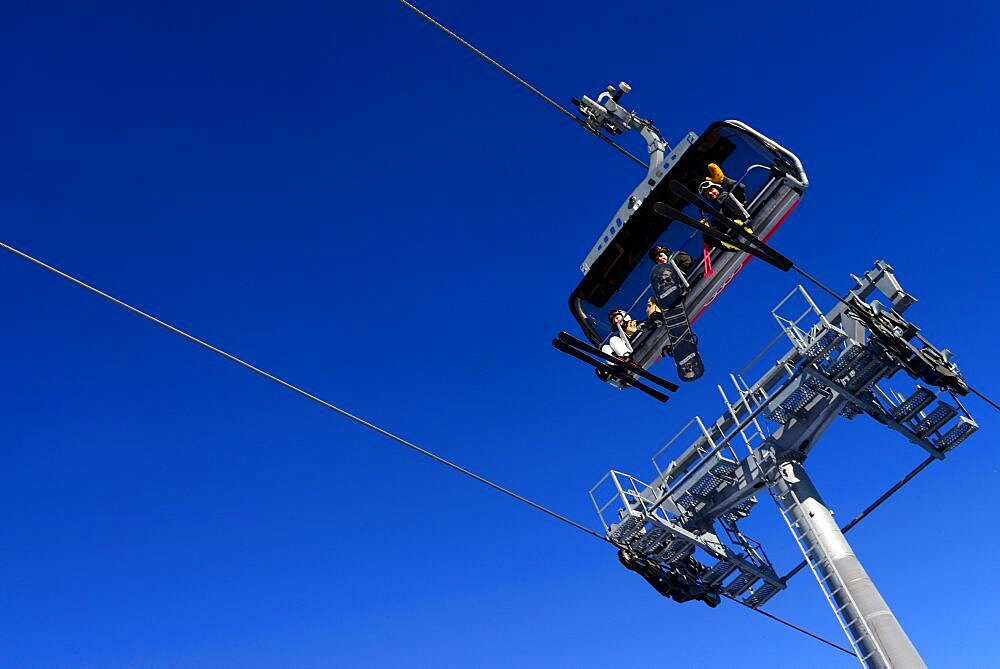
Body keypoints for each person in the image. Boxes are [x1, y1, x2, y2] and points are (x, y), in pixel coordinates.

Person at [645, 245, 693, 319]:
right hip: (674, 290)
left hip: (687, 280)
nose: (660, 259)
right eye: (657, 259)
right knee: (652, 299)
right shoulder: (662, 272)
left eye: (661, 255)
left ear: (666, 253)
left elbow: (688, 261)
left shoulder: (677, 257)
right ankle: (656, 316)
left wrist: (675, 273)